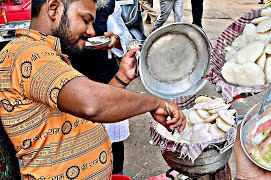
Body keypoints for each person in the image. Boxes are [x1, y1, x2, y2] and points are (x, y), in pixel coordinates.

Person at [0, 0, 186, 179]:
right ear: (54, 8)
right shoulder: (27, 53)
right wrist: (154, 103)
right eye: (85, 20)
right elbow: (91, 104)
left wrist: (121, 78)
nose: (91, 31)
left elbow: (80, 115)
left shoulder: (50, 54)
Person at [71, 0, 134, 175]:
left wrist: (116, 40)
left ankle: (116, 174)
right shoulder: (62, 8)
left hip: (107, 80)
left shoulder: (109, 5)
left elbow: (127, 41)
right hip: (74, 87)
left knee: (114, 144)